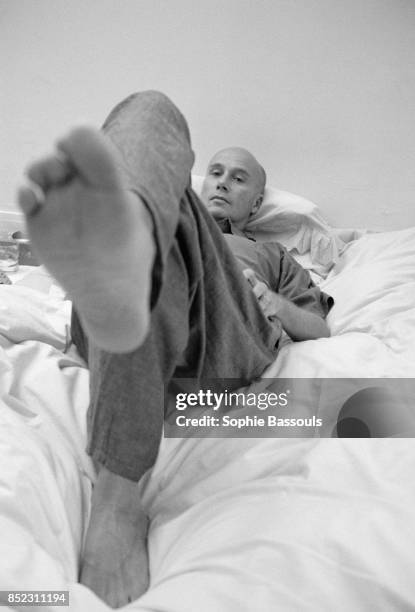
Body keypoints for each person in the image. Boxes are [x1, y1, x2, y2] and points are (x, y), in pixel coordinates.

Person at [17, 91, 331, 608]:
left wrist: (272, 299)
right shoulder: (177, 206)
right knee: (150, 108)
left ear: (257, 205)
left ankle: (117, 497)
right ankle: (132, 232)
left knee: (160, 236)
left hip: (223, 325)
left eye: (240, 177)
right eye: (215, 171)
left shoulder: (271, 253)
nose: (223, 182)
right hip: (135, 292)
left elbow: (317, 327)